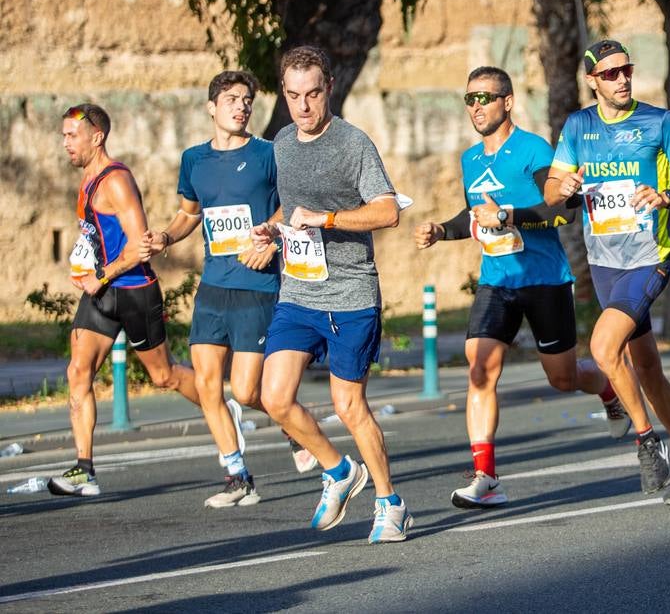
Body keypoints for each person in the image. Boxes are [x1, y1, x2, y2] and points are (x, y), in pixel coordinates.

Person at [415, 65, 620, 510]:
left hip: (544, 280)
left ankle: (607, 389)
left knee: (563, 377)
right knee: (479, 368)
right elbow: (475, 216)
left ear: (507, 101)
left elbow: (560, 211)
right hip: (497, 281)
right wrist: (441, 230)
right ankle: (486, 476)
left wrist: (509, 216)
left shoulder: (532, 150)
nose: (477, 107)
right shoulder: (471, 159)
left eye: (485, 98)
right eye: (470, 99)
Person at [544, 40, 670, 507]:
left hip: (649, 255)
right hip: (604, 262)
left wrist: (666, 197)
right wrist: (566, 184)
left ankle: (647, 443)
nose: (622, 80)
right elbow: (552, 190)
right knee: (647, 368)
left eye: (627, 71)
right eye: (611, 74)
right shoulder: (579, 125)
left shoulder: (658, 122)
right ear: (592, 81)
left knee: (602, 346)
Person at [251, 46, 411, 542]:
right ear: (284, 93)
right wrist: (271, 230)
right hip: (299, 293)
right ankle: (340, 471)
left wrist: (330, 219)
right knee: (273, 398)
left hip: (350, 294)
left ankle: (390, 502)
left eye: (313, 94)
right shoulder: (281, 141)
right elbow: (292, 208)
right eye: (294, 95)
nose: (303, 106)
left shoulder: (353, 144)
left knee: (349, 406)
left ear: (329, 88)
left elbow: (388, 211)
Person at [141, 71, 286, 508]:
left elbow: (292, 203)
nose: (240, 107)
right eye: (231, 100)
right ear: (211, 107)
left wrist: (273, 236)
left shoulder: (268, 154)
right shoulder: (194, 159)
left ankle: (293, 421)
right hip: (213, 285)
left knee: (245, 391)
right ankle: (237, 477)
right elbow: (190, 213)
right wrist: (166, 237)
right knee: (207, 387)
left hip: (256, 284)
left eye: (247, 100)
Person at [49, 104, 201, 497]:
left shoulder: (116, 181)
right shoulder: (86, 179)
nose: (65, 143)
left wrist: (100, 275)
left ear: (96, 137)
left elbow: (140, 247)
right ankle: (84, 471)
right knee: (77, 373)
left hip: (134, 291)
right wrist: (85, 263)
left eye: (72, 135)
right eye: (64, 135)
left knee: (163, 375)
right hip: (100, 294)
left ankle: (219, 409)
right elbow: (97, 235)